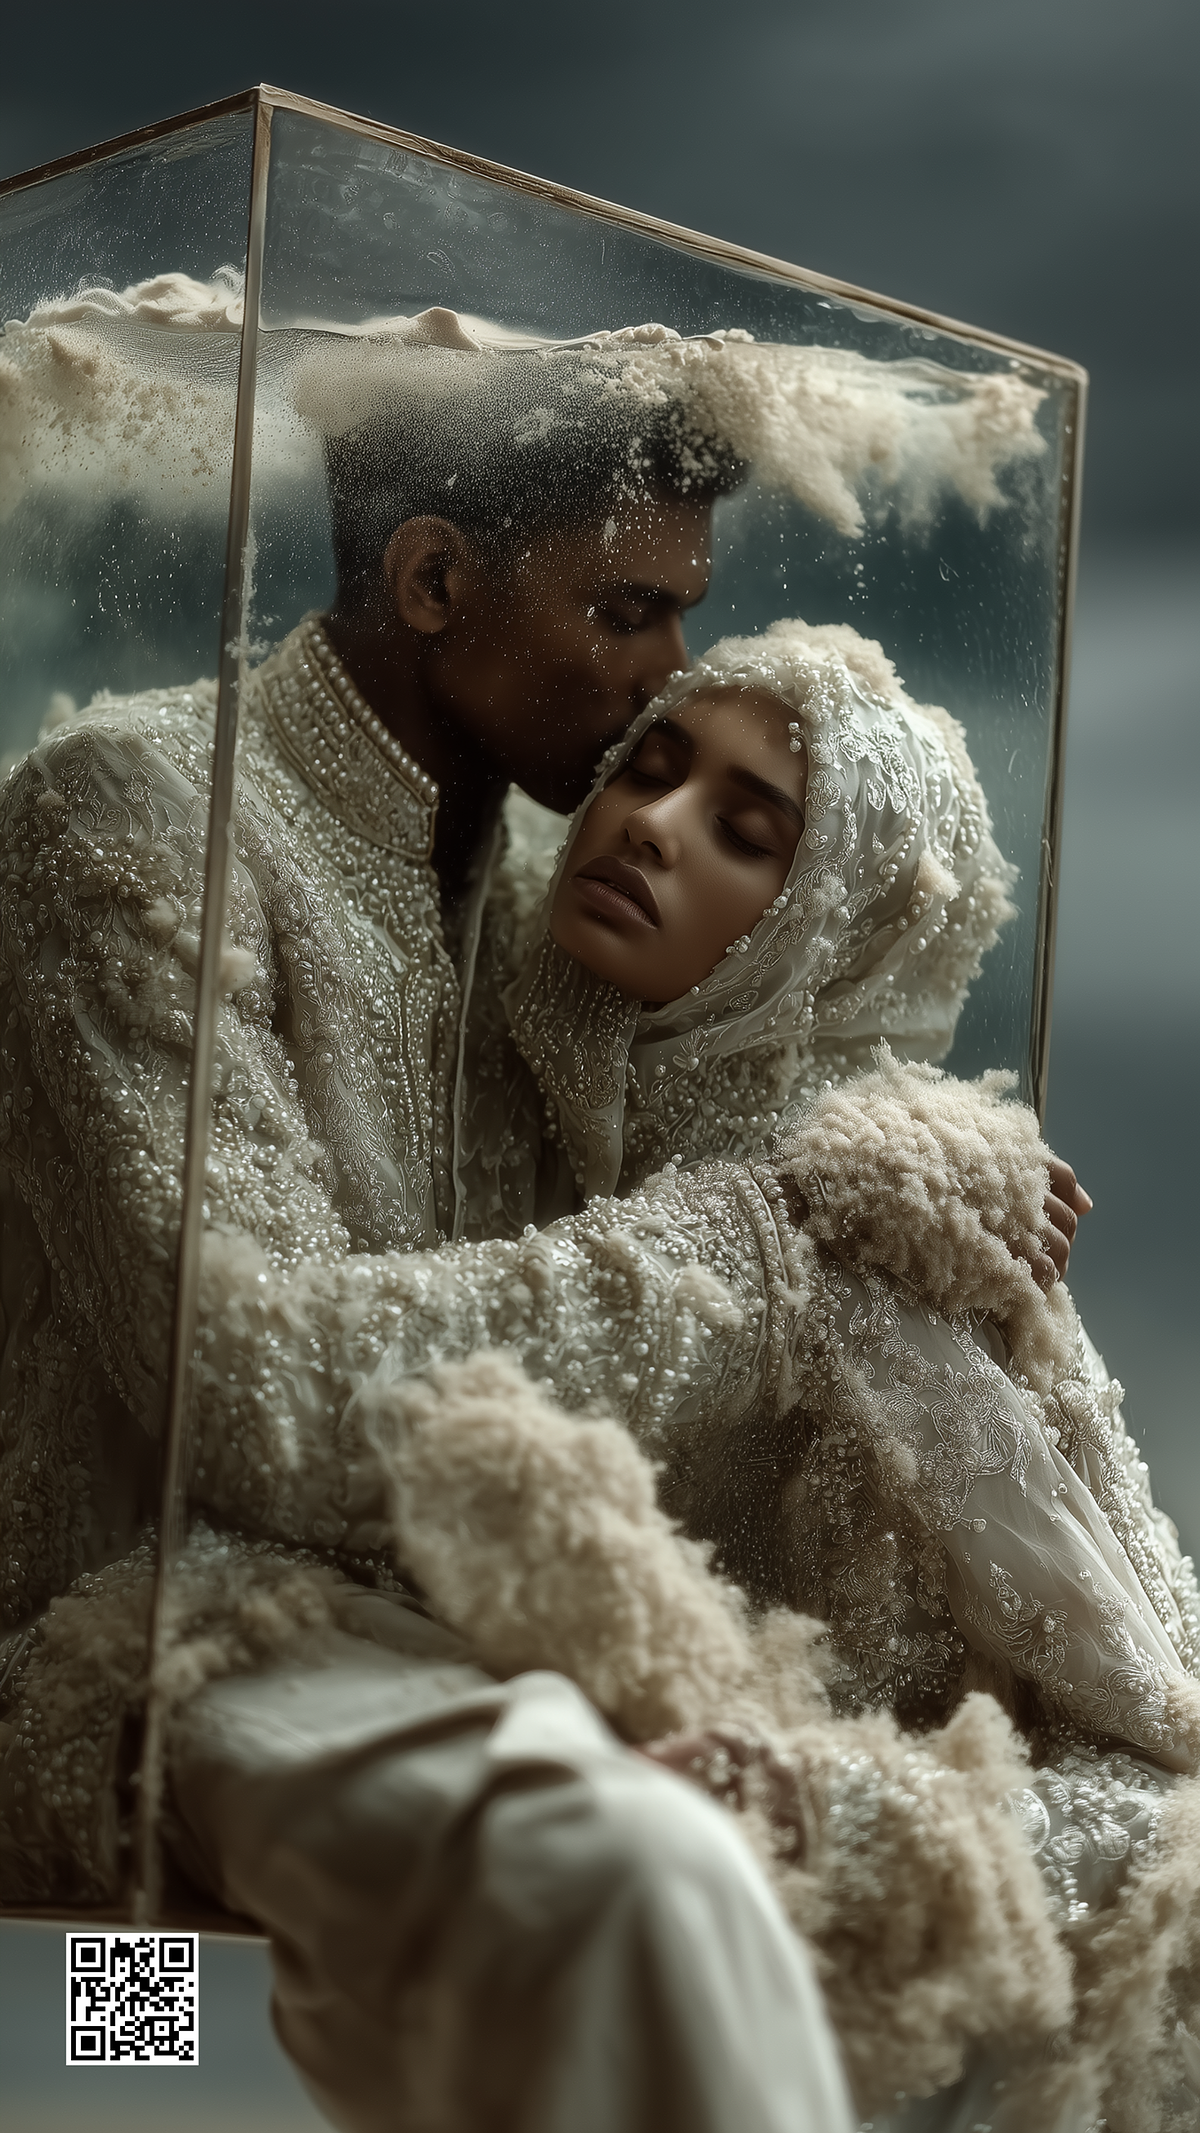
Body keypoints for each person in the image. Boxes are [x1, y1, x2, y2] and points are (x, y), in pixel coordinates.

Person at [0, 286, 1091, 2132]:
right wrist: (772, 1243)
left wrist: (926, 1162)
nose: (666, 669)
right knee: (628, 1877)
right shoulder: (132, 816)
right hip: (148, 1651)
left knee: (838, 1876)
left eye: (682, 610)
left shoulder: (536, 883)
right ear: (433, 583)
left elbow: (766, 1083)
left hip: (489, 1641)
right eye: (625, 611)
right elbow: (246, 1397)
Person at [362, 614, 1194, 2127]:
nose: (650, 826)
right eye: (648, 769)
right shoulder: (547, 1103)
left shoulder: (859, 1241)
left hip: (852, 2035)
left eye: (748, 837)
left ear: (834, 931)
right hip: (592, 1926)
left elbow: (1165, 1764)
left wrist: (824, 1809)